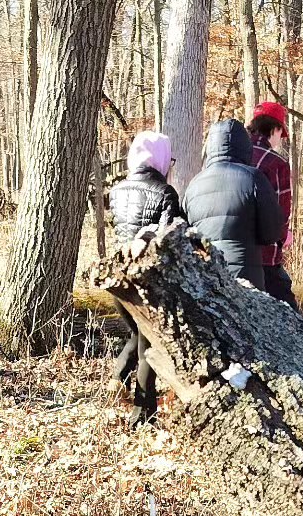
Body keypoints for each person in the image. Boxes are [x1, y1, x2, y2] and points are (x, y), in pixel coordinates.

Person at [107, 130, 182, 421]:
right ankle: (143, 411)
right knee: (148, 344)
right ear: (161, 159)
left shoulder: (117, 190)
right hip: (147, 281)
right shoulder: (165, 194)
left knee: (139, 333)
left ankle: (117, 378)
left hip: (116, 277)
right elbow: (168, 239)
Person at [182, 118, 286, 292]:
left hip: (206, 278)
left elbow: (185, 235)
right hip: (247, 277)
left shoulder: (193, 185)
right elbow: (272, 232)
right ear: (245, 147)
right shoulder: (254, 178)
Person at [247, 100, 297, 307]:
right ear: (275, 129)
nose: (280, 139)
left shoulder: (235, 156)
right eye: (280, 134)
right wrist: (284, 235)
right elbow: (280, 212)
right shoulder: (276, 164)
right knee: (289, 314)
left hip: (233, 254)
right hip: (266, 256)